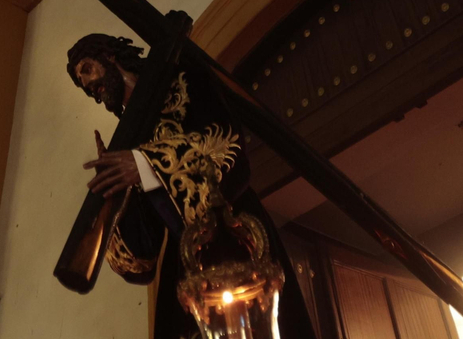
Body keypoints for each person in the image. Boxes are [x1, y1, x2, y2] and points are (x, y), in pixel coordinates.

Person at [67, 33, 315, 339]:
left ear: (110, 56)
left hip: (236, 234)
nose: (88, 86)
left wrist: (144, 165)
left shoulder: (182, 79)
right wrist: (114, 199)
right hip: (186, 261)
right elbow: (142, 259)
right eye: (82, 85)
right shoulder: (127, 139)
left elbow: (226, 147)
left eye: (87, 69)